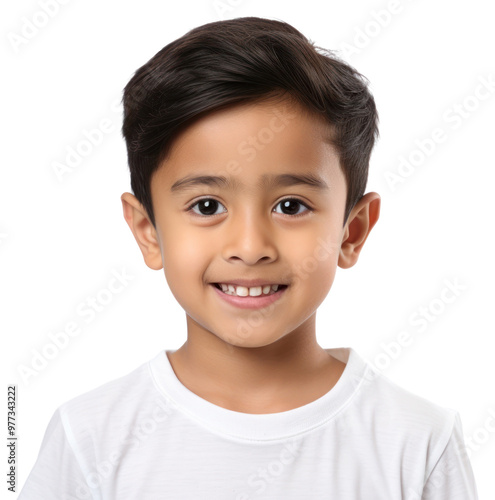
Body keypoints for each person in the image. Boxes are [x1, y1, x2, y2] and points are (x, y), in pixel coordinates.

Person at [18, 16, 479, 499]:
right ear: (147, 231)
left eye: (291, 206)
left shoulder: (419, 443)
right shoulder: (89, 438)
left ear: (352, 230)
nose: (251, 246)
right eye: (207, 207)